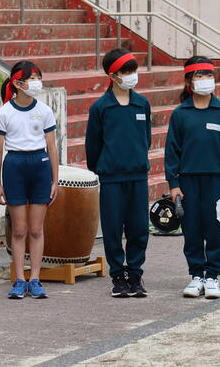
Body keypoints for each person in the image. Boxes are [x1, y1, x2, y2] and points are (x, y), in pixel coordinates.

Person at [164, 56, 220, 300]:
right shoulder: (180, 114)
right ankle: (196, 275)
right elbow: (172, 151)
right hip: (188, 181)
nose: (205, 80)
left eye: (208, 75)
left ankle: (213, 276)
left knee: (216, 228)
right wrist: (174, 183)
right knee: (192, 229)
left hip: (217, 181)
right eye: (199, 76)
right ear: (189, 81)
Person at [85, 48, 151, 298]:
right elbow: (93, 144)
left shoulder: (142, 103)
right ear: (112, 75)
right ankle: (118, 276)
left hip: (138, 176)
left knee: (139, 228)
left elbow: (146, 138)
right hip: (112, 177)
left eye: (133, 70)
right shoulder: (101, 107)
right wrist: (103, 167)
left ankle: (135, 274)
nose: (132, 76)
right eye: (126, 71)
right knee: (112, 229)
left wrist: (138, 159)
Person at [0, 61, 59, 300]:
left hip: (40, 166)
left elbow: (52, 146)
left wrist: (55, 180)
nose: (37, 82)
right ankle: (20, 279)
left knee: (36, 229)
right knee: (19, 229)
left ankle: (36, 279)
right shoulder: (4, 113)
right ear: (18, 83)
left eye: (39, 77)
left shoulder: (45, 110)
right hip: (14, 166)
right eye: (32, 78)